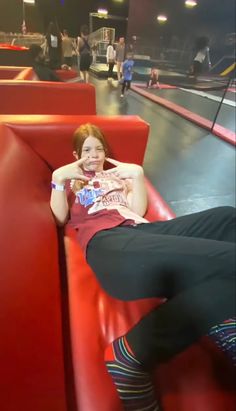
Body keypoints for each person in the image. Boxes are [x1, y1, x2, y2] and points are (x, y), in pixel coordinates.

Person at [50, 123, 236, 411]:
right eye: (87, 149)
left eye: (99, 148)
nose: (94, 155)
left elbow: (136, 211)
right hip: (108, 243)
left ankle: (218, 315)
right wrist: (58, 178)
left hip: (142, 232)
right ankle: (132, 354)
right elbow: (60, 216)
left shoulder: (116, 178)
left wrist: (136, 175)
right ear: (77, 154)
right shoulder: (73, 183)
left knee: (227, 218)